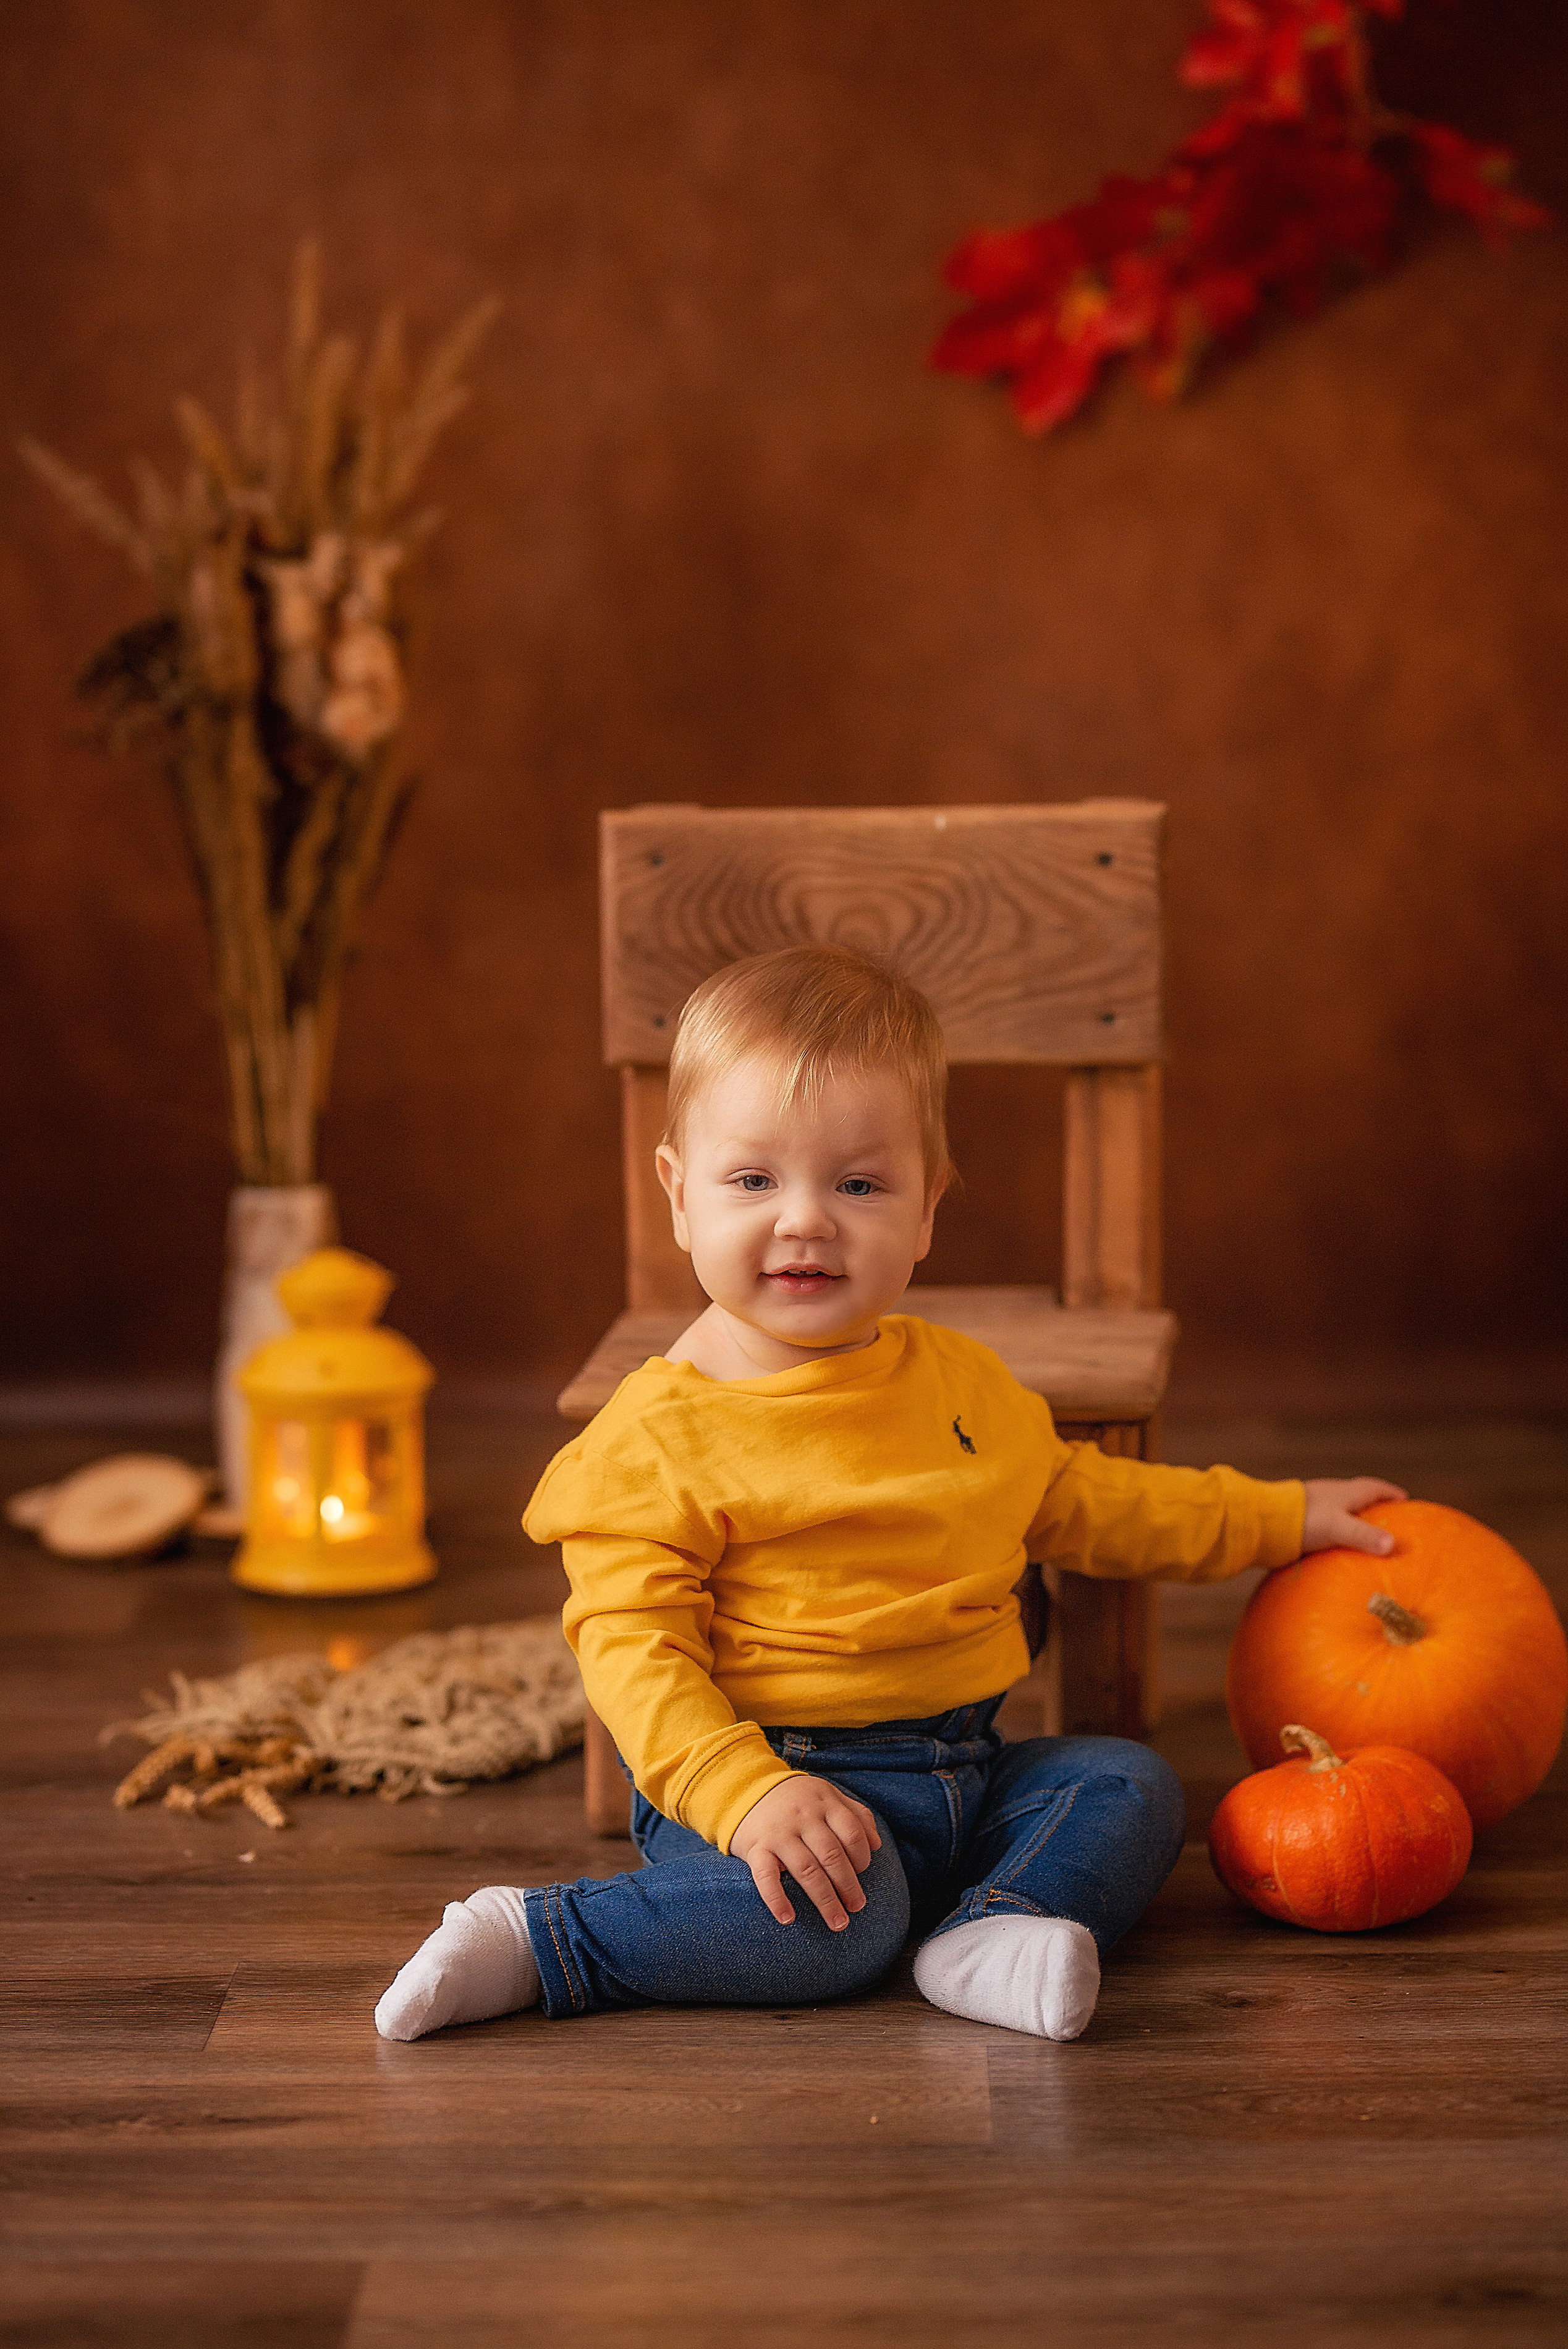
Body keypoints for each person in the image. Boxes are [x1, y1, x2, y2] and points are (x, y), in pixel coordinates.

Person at [376, 945, 1404, 2045]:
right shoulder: (658, 1437)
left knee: (1127, 1787)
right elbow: (633, 1653)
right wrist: (744, 1794)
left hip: (966, 1763)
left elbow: (1089, 1499)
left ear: (925, 1213)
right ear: (678, 1195)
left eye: (858, 1184)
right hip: (769, 1773)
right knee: (831, 1935)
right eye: (754, 1180)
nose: (808, 1219)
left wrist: (1278, 1516)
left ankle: (992, 1932)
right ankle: (545, 1939)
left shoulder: (957, 1382)